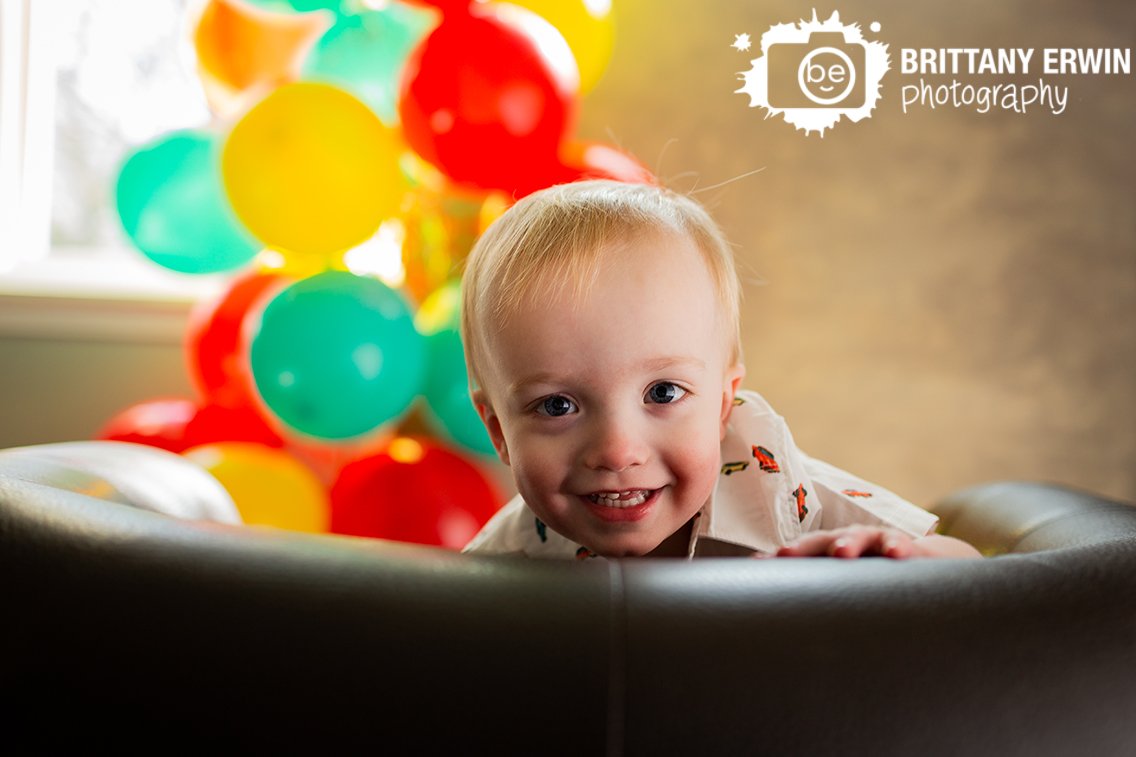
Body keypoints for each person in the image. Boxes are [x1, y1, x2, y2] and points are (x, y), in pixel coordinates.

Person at [459, 180, 979, 560]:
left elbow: (975, 577)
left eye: (662, 392)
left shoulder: (786, 498)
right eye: (558, 406)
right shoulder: (507, 560)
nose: (617, 450)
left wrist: (903, 562)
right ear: (499, 431)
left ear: (724, 404)